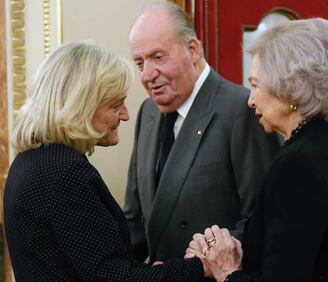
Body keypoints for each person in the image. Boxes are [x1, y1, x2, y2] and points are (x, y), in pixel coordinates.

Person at [186, 18, 328, 282]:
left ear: (291, 89)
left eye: (256, 85)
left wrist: (226, 272)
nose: (250, 100)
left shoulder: (298, 164)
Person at [3, 41, 206, 281]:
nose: (126, 115)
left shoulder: (31, 163)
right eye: (116, 105)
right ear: (81, 106)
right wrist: (198, 267)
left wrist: (153, 272)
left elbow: (88, 266)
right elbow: (113, 277)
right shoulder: (63, 172)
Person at [124, 1, 280, 263]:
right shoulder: (147, 113)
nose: (148, 74)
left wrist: (199, 263)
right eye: (140, 63)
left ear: (193, 49)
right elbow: (135, 217)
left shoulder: (241, 109)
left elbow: (261, 218)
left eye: (158, 57)